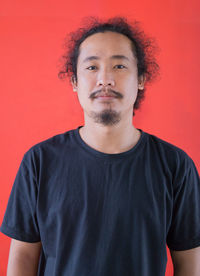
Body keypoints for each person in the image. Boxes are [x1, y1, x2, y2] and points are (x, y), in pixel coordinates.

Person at [1, 16, 200, 276]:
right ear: (75, 82)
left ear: (140, 79)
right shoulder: (39, 161)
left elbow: (189, 261)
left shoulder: (175, 166)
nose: (105, 79)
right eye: (92, 67)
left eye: (119, 66)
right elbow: (23, 257)